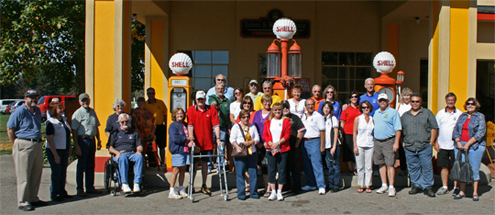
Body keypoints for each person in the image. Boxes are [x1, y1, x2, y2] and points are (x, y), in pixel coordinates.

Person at [7, 89, 47, 211]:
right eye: (30, 97)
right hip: (24, 143)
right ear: (25, 99)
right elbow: (10, 129)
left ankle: (33, 198)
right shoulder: (19, 111)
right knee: (23, 174)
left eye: (35, 97)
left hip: (37, 144)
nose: (33, 99)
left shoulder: (37, 110)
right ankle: (23, 201)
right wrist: (16, 143)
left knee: (36, 174)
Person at [401, 94, 438, 197]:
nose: (415, 103)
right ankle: (416, 185)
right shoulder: (405, 116)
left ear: (420, 102)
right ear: (410, 103)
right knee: (413, 167)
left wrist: (431, 142)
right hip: (410, 146)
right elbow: (400, 130)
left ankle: (427, 186)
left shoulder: (427, 113)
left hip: (424, 145)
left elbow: (434, 128)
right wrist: (402, 142)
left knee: (427, 167)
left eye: (417, 101)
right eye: (413, 101)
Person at [187, 90, 222, 195]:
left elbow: (216, 125)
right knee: (194, 164)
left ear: (205, 99)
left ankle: (204, 184)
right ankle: (191, 185)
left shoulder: (211, 109)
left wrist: (218, 139)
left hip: (207, 142)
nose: (200, 101)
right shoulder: (191, 110)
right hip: (196, 143)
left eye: (202, 99)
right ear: (196, 100)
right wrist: (191, 139)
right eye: (198, 99)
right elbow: (190, 125)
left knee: (205, 163)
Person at [452, 98, 486, 201]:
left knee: (473, 168)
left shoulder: (480, 116)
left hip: (475, 146)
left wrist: (468, 144)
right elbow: (456, 130)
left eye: (472, 104)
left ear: (476, 105)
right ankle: (462, 191)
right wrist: (458, 141)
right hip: (460, 145)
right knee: (462, 168)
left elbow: (480, 133)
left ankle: (475, 192)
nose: (470, 105)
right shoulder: (462, 116)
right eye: (468, 104)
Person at [72, 93, 103, 197]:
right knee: (81, 165)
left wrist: (98, 140)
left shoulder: (92, 111)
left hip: (92, 140)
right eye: (83, 100)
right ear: (80, 102)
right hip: (82, 140)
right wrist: (76, 145)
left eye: (87, 100)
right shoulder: (78, 113)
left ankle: (90, 187)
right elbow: (74, 130)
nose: (85, 102)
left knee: (91, 165)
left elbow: (96, 126)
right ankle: (80, 188)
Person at [373, 93, 401, 197]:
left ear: (387, 101)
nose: (382, 102)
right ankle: (384, 184)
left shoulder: (393, 112)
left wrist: (396, 142)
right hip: (377, 141)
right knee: (380, 163)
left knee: (390, 164)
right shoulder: (376, 113)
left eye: (384, 100)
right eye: (380, 100)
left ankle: (391, 186)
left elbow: (398, 129)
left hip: (389, 141)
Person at [108, 113, 144, 193]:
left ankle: (137, 183)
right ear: (119, 122)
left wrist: (138, 151)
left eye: (126, 121)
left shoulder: (134, 133)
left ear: (129, 121)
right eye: (122, 122)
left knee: (139, 157)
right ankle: (124, 183)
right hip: (120, 154)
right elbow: (110, 148)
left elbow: (139, 146)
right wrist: (117, 153)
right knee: (123, 157)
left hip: (131, 153)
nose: (124, 123)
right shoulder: (115, 133)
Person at [434, 93, 462, 196]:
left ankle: (456, 187)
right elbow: (436, 129)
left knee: (456, 166)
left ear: (455, 101)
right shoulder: (440, 113)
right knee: (443, 166)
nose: (451, 102)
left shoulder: (459, 114)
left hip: (455, 146)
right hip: (442, 145)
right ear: (446, 101)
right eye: (449, 100)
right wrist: (436, 143)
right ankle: (444, 186)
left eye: (452, 100)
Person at [263, 103, 292, 201]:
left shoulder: (286, 121)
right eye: (275, 110)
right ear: (272, 111)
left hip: (282, 149)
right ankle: (273, 192)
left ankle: (280, 192)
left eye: (279, 110)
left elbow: (287, 134)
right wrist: (270, 143)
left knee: (282, 170)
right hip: (271, 149)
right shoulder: (268, 122)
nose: (277, 112)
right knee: (271, 170)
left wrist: (278, 143)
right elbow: (265, 135)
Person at [230, 109, 260, 200]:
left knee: (253, 173)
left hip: (252, 152)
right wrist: (237, 147)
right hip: (240, 153)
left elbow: (257, 138)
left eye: (247, 117)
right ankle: (241, 194)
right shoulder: (236, 127)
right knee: (240, 174)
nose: (246, 119)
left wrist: (251, 142)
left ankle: (253, 193)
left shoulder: (252, 127)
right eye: (244, 117)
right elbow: (232, 139)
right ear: (240, 118)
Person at [45, 100, 72, 201]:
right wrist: (55, 154)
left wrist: (69, 148)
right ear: (53, 110)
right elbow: (50, 139)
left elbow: (68, 135)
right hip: (55, 150)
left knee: (62, 172)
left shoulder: (64, 120)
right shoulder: (51, 122)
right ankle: (55, 193)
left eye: (61, 108)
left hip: (64, 149)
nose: (61, 109)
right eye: (58, 108)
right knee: (56, 172)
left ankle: (62, 191)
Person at [300, 99, 326, 195]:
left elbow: (322, 131)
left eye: (312, 105)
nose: (310, 106)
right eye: (308, 105)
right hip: (304, 142)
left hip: (314, 141)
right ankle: (311, 184)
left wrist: (322, 145)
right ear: (306, 106)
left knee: (317, 165)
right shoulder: (302, 116)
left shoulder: (318, 116)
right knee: (307, 165)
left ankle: (321, 186)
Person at [251, 94, 272, 197]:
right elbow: (253, 128)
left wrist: (268, 142)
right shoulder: (257, 113)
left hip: (269, 144)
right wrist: (257, 142)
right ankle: (264, 187)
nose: (267, 103)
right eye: (265, 102)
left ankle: (269, 189)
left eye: (269, 102)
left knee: (268, 166)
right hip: (258, 144)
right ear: (262, 103)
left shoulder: (273, 113)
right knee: (262, 166)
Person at [168, 108, 191, 199]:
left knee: (183, 170)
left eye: (181, 113)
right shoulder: (173, 125)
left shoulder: (185, 124)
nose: (180, 115)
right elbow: (175, 139)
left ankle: (181, 189)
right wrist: (187, 139)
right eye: (178, 114)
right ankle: (172, 190)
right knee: (176, 170)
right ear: (174, 115)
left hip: (186, 150)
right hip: (177, 150)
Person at [208, 83, 231, 173]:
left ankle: (220, 167)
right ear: (215, 89)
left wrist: (228, 126)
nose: (220, 90)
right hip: (212, 127)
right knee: (210, 147)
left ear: (224, 89)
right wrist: (215, 105)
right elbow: (212, 104)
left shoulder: (227, 101)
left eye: (222, 88)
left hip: (223, 127)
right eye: (218, 88)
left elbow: (228, 115)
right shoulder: (212, 97)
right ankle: (209, 166)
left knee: (221, 147)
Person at [353, 101, 374, 193]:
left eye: (367, 107)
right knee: (360, 166)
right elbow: (354, 133)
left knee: (369, 166)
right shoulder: (358, 119)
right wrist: (355, 146)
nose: (366, 109)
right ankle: (361, 184)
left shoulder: (373, 119)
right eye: (364, 107)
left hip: (370, 144)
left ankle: (368, 184)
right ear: (361, 108)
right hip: (360, 144)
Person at [145, 87, 168, 168]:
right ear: (147, 94)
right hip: (149, 128)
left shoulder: (160, 103)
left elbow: (165, 115)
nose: (151, 95)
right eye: (149, 93)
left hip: (160, 126)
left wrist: (166, 125)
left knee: (162, 146)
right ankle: (152, 162)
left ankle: (162, 162)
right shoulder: (145, 104)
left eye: (152, 93)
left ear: (155, 94)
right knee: (150, 147)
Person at [321, 101, 340, 193]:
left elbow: (336, 132)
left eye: (328, 108)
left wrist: (334, 146)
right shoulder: (322, 119)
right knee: (329, 166)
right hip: (326, 146)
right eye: (325, 107)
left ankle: (336, 185)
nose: (326, 109)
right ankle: (331, 184)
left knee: (335, 165)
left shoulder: (333, 119)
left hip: (333, 146)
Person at [340, 91, 360, 175]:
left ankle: (356, 168)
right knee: (348, 152)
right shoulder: (346, 108)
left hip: (358, 133)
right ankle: (350, 169)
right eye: (352, 97)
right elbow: (342, 122)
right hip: (348, 132)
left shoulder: (360, 108)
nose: (354, 98)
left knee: (356, 151)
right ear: (350, 98)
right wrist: (341, 133)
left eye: (355, 96)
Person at [131, 97, 156, 165]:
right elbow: (134, 125)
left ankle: (152, 163)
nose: (141, 104)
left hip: (149, 134)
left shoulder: (148, 112)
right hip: (140, 134)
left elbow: (154, 123)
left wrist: (152, 133)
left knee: (151, 149)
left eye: (142, 102)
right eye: (140, 102)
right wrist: (139, 135)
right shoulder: (135, 113)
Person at [396, 87, 413, 176]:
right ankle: (403, 168)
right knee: (402, 151)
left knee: (410, 151)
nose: (406, 97)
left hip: (411, 131)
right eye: (405, 95)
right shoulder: (399, 105)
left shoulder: (412, 105)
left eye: (408, 95)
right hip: (401, 130)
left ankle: (411, 170)